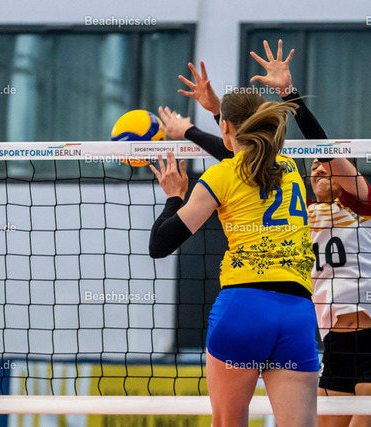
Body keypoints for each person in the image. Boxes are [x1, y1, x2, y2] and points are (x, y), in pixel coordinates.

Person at [162, 39, 371, 427]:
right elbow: (245, 159)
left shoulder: (364, 207)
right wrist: (210, 119)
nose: (318, 168)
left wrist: (287, 94)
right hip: (330, 339)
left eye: (327, 166)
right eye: (315, 167)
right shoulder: (298, 207)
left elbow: (320, 148)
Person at [148, 90, 319, 426]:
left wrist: (174, 197)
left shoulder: (220, 177)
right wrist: (204, 123)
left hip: (243, 311)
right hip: (296, 314)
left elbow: (159, 245)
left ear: (226, 127)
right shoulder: (288, 167)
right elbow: (242, 153)